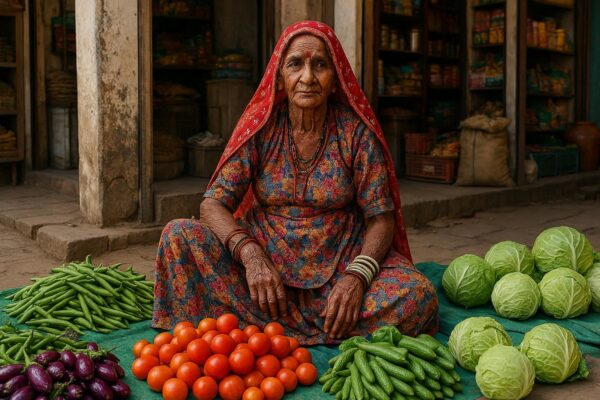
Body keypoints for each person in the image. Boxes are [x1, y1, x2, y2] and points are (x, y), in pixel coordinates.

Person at [153, 21, 438, 344]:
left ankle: (260, 328)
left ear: (335, 80)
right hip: (263, 278)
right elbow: (212, 204)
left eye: (319, 65)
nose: (307, 77)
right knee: (178, 236)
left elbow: (381, 219)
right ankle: (300, 327)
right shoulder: (262, 130)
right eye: (295, 64)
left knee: (418, 295)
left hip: (339, 266)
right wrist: (251, 256)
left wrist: (357, 277)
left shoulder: (355, 135)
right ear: (280, 77)